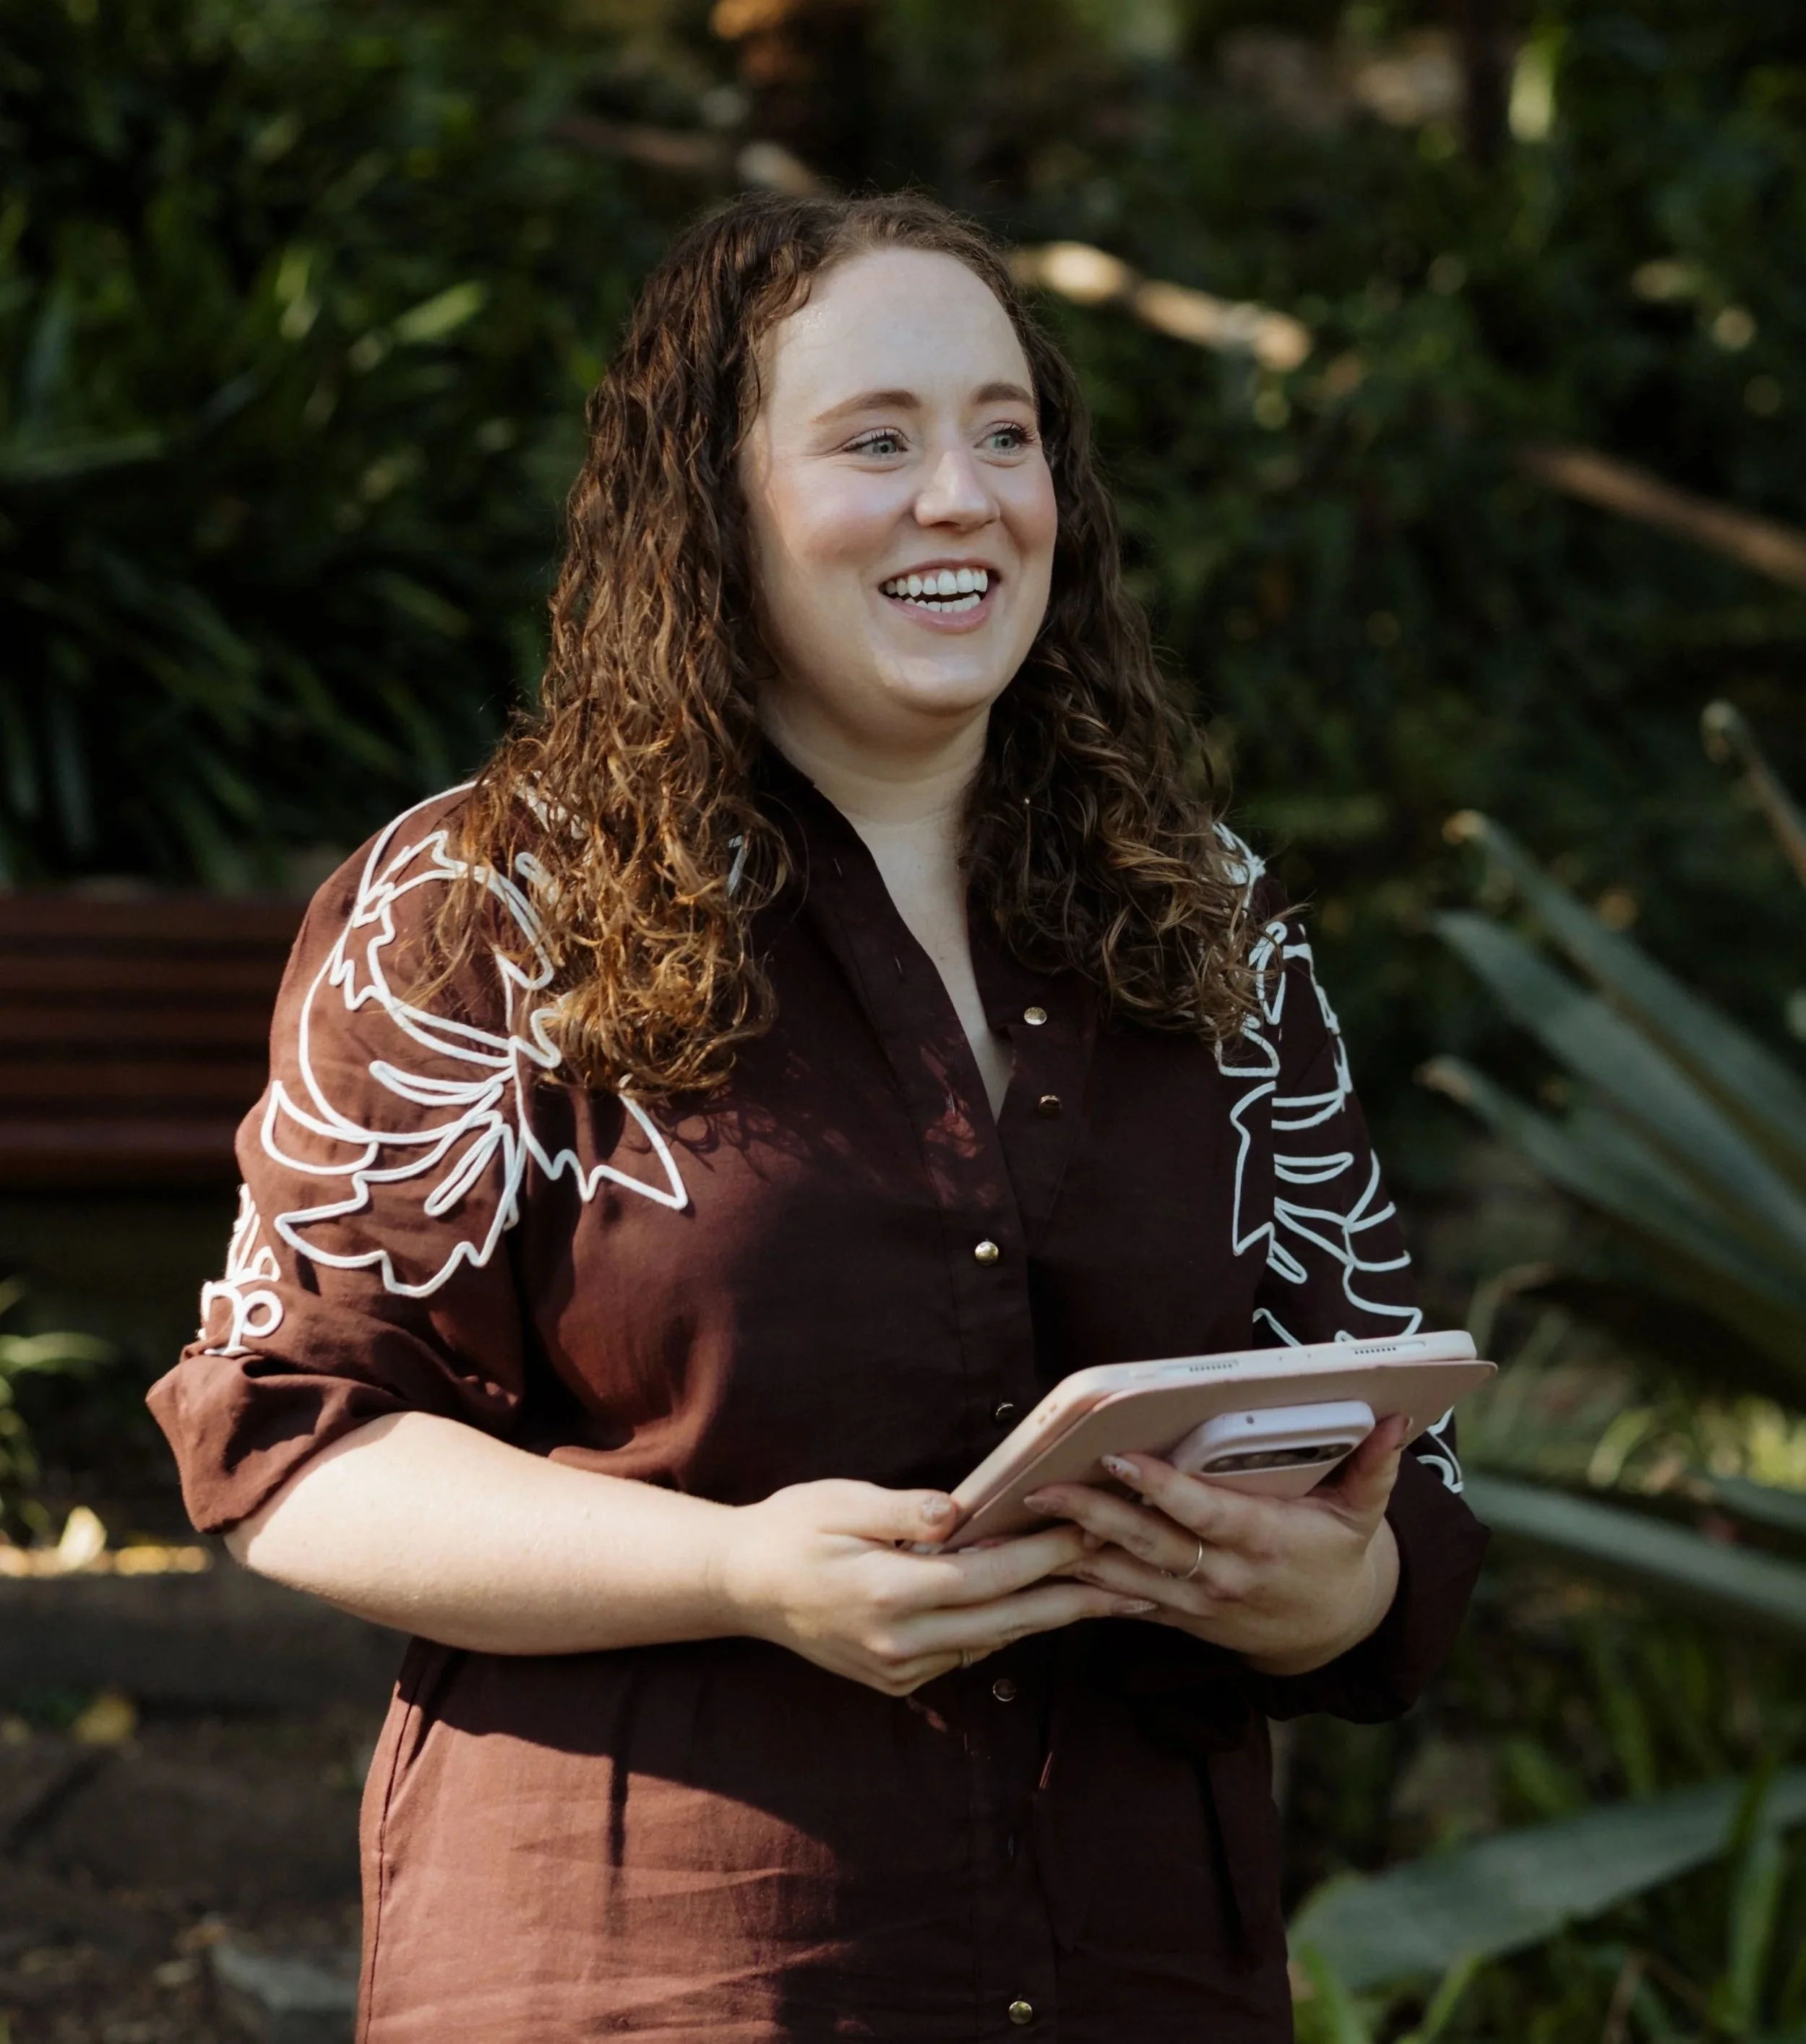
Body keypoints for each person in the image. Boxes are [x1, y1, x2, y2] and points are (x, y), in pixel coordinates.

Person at [150, 191, 1487, 2043]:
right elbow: (296, 1444)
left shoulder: (1207, 922)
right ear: (711, 501)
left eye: (1004, 434)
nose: (961, 495)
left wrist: (1322, 1593)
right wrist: (734, 1570)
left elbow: (1395, 1449)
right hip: (658, 1969)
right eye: (876, 440)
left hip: (1136, 1965)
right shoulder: (488, 906)